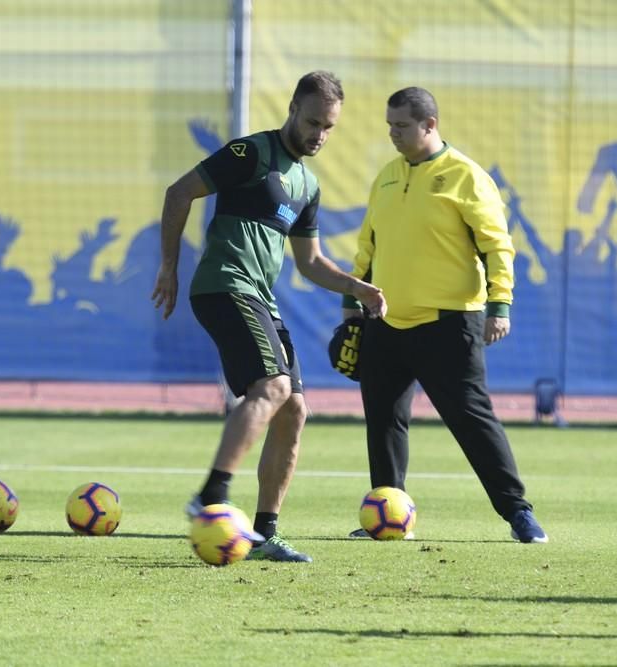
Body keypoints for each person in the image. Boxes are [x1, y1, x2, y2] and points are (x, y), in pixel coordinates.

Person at [152, 71, 386, 562]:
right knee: (273, 388)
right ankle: (212, 496)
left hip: (261, 297)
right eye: (312, 121)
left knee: (295, 409)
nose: (319, 134)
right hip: (224, 285)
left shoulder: (307, 184)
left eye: (328, 127)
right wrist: (170, 267)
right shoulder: (251, 154)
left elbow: (310, 263)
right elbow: (178, 193)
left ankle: (264, 534)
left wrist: (356, 286)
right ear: (292, 109)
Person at [342, 87, 547, 543]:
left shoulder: (466, 176)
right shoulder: (388, 176)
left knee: (472, 420)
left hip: (449, 322)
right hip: (386, 320)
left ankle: (519, 513)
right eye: (389, 125)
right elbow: (368, 245)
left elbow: (497, 245)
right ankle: (386, 513)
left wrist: (500, 305)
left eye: (401, 125)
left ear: (429, 125)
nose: (393, 133)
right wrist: (353, 305)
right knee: (384, 420)